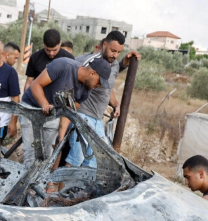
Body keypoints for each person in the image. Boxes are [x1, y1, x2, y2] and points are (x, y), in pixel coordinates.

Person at [19, 57, 110, 168]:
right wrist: (44, 104)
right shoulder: (63, 65)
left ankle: (38, 183)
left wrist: (61, 136)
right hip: (31, 109)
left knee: (47, 156)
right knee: (31, 154)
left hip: (52, 116)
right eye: (99, 82)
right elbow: (36, 85)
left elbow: (68, 112)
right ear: (92, 73)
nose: (99, 86)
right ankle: (27, 184)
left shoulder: (86, 90)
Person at [70, 32, 141, 168]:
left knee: (96, 160)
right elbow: (70, 78)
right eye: (112, 50)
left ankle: (81, 189)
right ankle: (59, 187)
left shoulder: (113, 64)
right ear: (104, 45)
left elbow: (108, 89)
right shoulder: (88, 61)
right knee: (76, 159)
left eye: (118, 52)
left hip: (97, 119)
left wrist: (116, 105)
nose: (114, 55)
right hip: (83, 115)